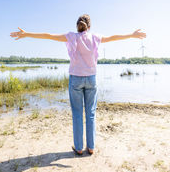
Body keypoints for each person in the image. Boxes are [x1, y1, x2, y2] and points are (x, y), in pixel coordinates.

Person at [10, 14, 146, 156]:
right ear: (89, 25)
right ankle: (91, 147)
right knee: (91, 113)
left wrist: (27, 34)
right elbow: (114, 37)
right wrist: (132, 35)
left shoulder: (71, 37)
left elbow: (48, 35)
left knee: (77, 113)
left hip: (75, 79)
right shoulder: (95, 37)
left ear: (77, 25)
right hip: (91, 79)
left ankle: (79, 147)